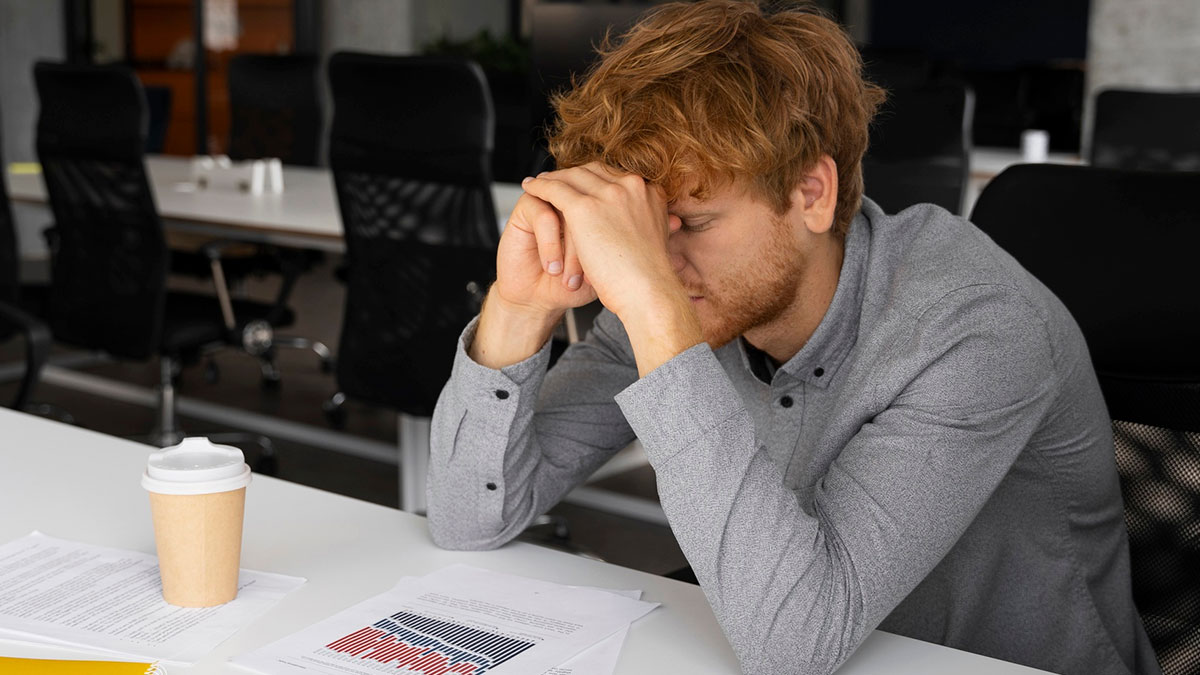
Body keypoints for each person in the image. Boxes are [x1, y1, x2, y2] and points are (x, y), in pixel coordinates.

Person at [426, 2, 1160, 673]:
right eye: (647, 233)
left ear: (812, 193)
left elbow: (793, 646)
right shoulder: (695, 293)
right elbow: (469, 519)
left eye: (696, 223)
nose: (663, 262)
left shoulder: (973, 330)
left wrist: (655, 307)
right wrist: (519, 310)